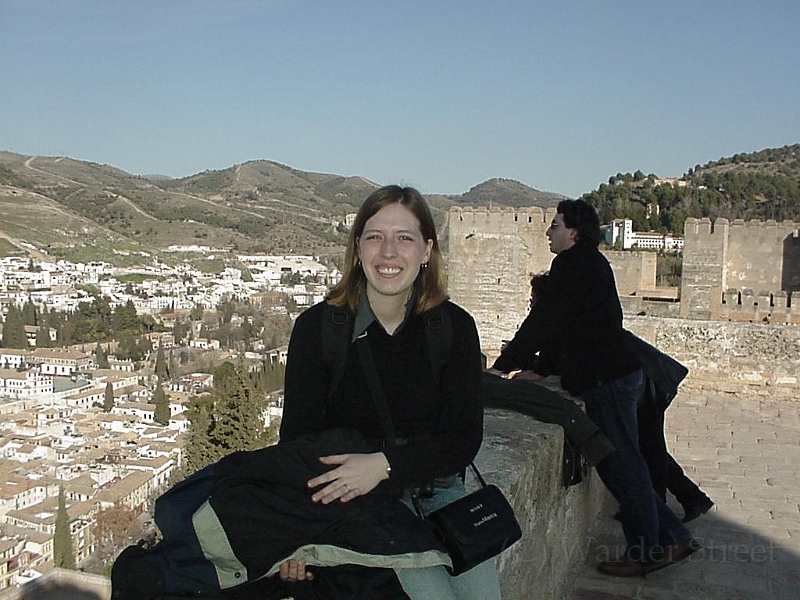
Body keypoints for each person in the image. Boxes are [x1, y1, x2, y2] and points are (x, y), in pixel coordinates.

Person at [278, 185, 502, 599]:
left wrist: (383, 465)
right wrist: (296, 531)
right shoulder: (319, 329)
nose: (388, 252)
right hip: (356, 504)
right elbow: (296, 442)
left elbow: (463, 439)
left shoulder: (452, 328)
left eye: (404, 238)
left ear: (426, 250)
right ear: (358, 246)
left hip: (439, 497)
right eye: (375, 237)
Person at [488, 199, 698, 577]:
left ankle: (648, 550)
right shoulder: (587, 264)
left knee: (620, 466)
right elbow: (569, 327)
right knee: (625, 463)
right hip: (613, 374)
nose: (548, 231)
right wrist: (542, 367)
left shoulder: (574, 265)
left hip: (608, 379)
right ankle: (672, 535)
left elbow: (544, 321)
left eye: (555, 225)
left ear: (574, 231)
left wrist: (500, 368)